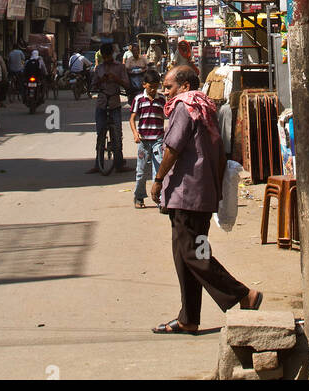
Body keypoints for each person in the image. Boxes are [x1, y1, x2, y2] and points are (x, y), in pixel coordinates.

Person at [150, 65, 261, 334]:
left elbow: (173, 147)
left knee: (193, 252)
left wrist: (157, 179)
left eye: (169, 87)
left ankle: (243, 294)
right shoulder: (206, 108)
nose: (165, 92)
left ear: (185, 86)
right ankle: (189, 318)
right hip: (199, 194)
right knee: (184, 255)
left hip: (187, 194)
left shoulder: (184, 107)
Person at [87, 44, 130, 174]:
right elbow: (93, 85)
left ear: (112, 54)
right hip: (101, 104)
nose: (106, 59)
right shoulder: (98, 68)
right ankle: (97, 164)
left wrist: (116, 79)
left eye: (108, 56)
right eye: (104, 57)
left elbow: (127, 84)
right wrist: (100, 80)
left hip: (114, 103)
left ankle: (119, 163)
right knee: (100, 133)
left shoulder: (120, 67)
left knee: (117, 134)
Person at [130, 69, 165, 208]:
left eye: (156, 87)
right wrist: (135, 133)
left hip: (158, 140)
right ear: (144, 84)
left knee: (158, 171)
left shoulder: (161, 99)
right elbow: (132, 119)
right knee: (141, 171)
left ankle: (160, 199)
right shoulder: (139, 99)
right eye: (151, 87)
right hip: (144, 141)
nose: (153, 90)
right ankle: (139, 197)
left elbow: (167, 115)